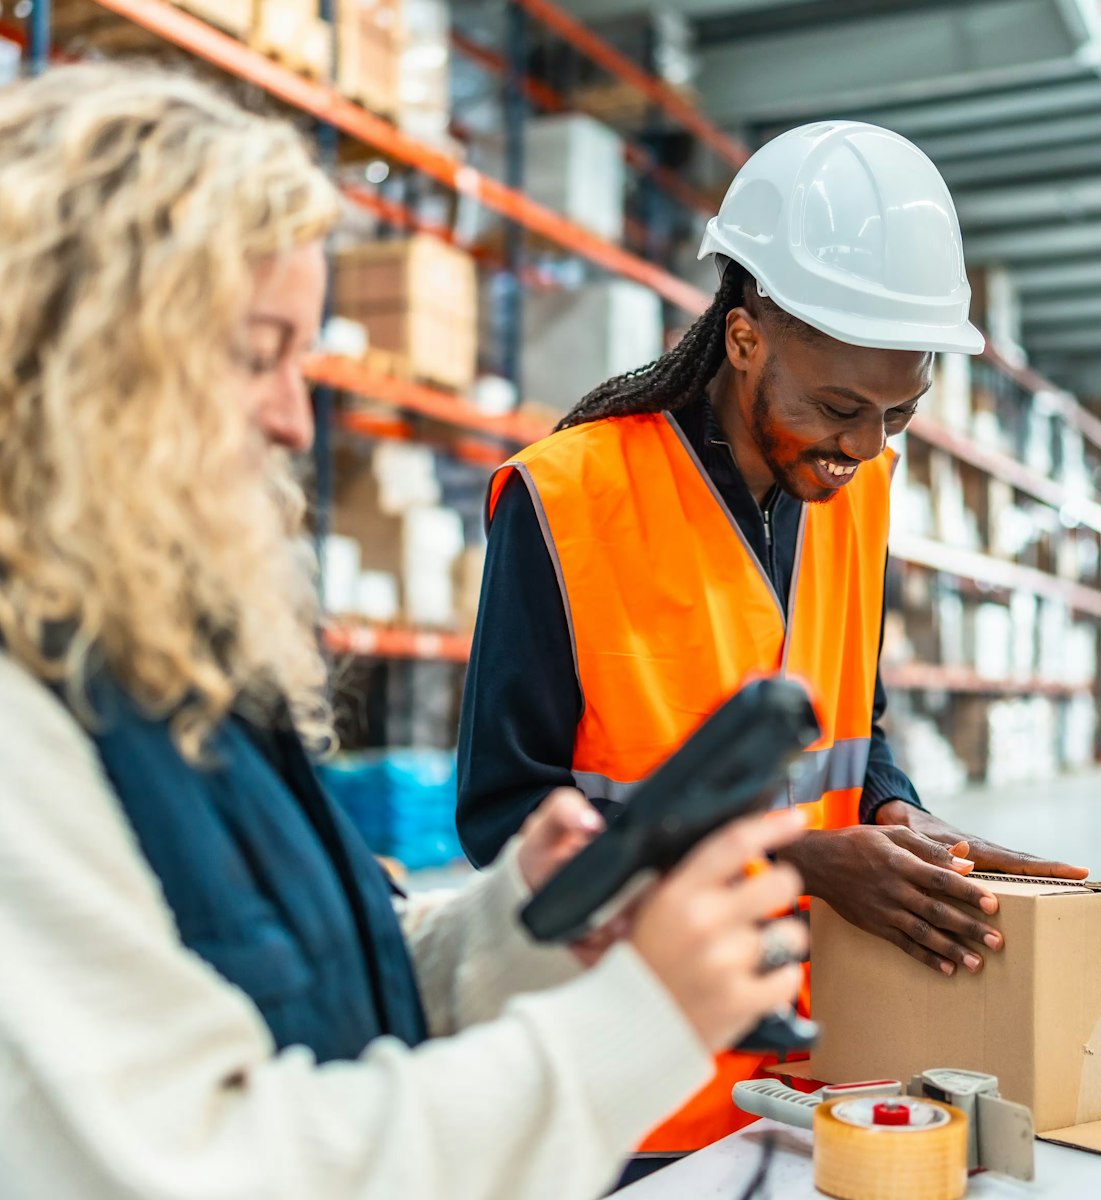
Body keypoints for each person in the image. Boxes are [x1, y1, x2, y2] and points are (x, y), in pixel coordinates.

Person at [0, 63, 812, 1200]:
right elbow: (216, 1164)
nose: (295, 420)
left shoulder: (158, 668)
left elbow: (319, 995)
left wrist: (513, 927)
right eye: (257, 354)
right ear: (80, 366)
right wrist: (637, 1026)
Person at [457, 121, 1089, 1164]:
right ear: (745, 336)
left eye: (901, 412)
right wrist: (797, 861)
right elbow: (505, 821)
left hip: (818, 1077)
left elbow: (854, 720)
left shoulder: (860, 490)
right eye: (840, 407)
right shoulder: (568, 500)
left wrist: (892, 809)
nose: (866, 446)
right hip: (633, 1103)